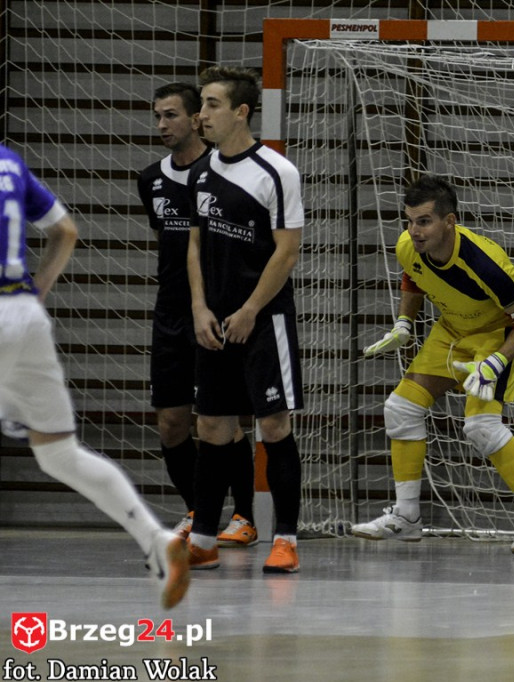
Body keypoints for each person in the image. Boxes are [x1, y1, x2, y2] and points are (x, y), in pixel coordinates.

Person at [0, 142, 190, 606]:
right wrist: (35, 293)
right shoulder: (9, 160)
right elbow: (65, 230)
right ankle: (155, 540)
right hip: (24, 313)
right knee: (59, 454)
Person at [354, 175, 514, 554]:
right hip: (451, 330)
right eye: (410, 220)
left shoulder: (485, 264)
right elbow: (414, 275)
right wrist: (404, 322)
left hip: (496, 336)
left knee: (481, 426)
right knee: (400, 409)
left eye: (424, 221)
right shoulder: (408, 245)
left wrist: (497, 361)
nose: (414, 231)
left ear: (449, 222)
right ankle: (406, 517)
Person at [185, 66, 305, 573]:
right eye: (201, 104)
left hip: (263, 320)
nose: (201, 114)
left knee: (273, 427)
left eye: (212, 104)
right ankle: (206, 538)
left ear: (241, 112)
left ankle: (285, 538)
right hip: (214, 322)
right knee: (212, 427)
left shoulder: (277, 172)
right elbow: (193, 245)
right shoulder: (201, 169)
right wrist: (199, 308)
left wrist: (251, 310)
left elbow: (288, 250)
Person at [137, 82, 257, 548]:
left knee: (224, 422)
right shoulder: (151, 179)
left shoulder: (222, 171)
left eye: (171, 115)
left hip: (217, 309)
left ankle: (244, 516)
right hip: (170, 310)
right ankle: (197, 510)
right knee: (171, 421)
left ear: (195, 120)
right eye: (157, 116)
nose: (163, 125)